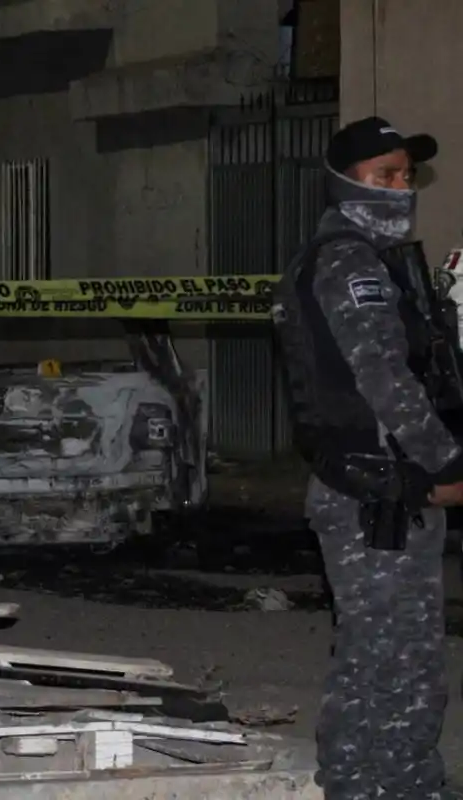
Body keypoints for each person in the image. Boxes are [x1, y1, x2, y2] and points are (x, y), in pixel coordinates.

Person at [273, 115, 463, 800]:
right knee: (378, 662)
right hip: (371, 495)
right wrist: (446, 464)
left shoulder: (379, 263)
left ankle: (409, 784)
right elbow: (382, 380)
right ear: (342, 183)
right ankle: (358, 786)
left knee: (411, 665)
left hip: (393, 490)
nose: (401, 188)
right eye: (384, 176)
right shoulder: (349, 261)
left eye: (407, 176)